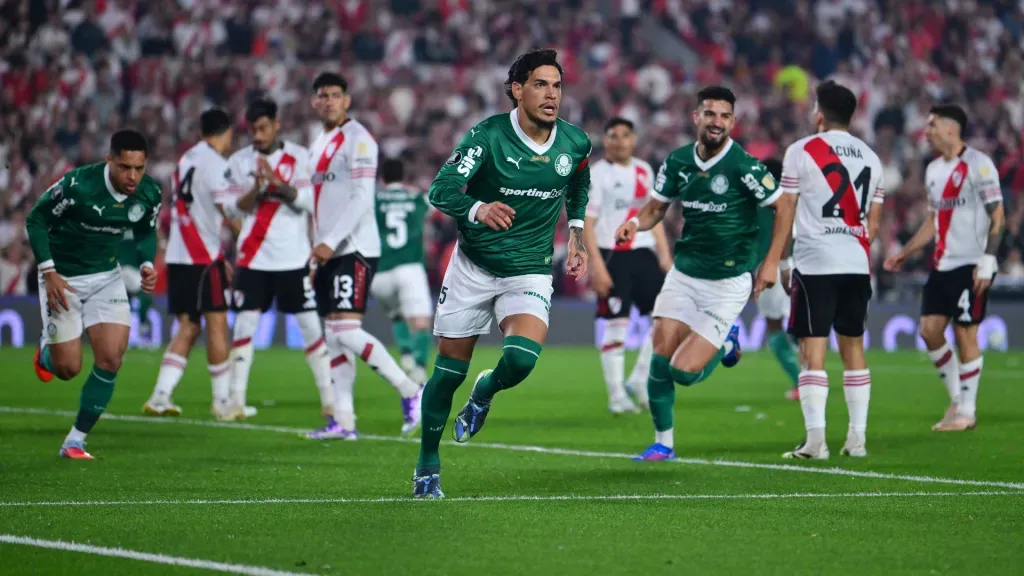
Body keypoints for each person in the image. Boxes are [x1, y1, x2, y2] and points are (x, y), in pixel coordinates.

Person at [413, 49, 592, 498]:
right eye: (540, 85)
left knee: (521, 360)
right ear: (517, 90)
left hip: (529, 270)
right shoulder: (488, 136)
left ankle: (485, 392)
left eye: (556, 85)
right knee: (447, 375)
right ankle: (427, 464)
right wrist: (478, 207)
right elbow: (441, 188)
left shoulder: (575, 142)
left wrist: (575, 231)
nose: (551, 95)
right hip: (473, 267)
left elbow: (579, 180)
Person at [616, 85, 795, 462]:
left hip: (727, 283)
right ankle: (663, 443)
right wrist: (635, 223)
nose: (717, 122)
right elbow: (655, 208)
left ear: (733, 122)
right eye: (710, 114)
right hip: (684, 275)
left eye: (725, 116)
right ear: (697, 117)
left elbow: (783, 206)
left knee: (683, 372)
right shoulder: (678, 161)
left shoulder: (743, 166)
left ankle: (727, 343)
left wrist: (771, 261)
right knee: (659, 359)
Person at [27, 129, 162, 459]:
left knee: (112, 358)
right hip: (62, 278)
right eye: (125, 167)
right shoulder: (78, 186)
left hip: (106, 277)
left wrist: (146, 262)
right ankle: (46, 353)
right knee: (68, 368)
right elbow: (36, 219)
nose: (133, 177)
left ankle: (75, 440)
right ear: (109, 160)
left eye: (139, 168)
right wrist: (49, 272)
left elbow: (145, 230)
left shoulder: (149, 193)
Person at [305, 71, 423, 441]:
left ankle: (410, 389)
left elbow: (360, 198)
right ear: (314, 101)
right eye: (322, 95)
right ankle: (344, 421)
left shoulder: (359, 140)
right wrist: (316, 251)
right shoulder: (319, 142)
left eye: (335, 95)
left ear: (347, 100)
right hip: (328, 250)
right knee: (333, 335)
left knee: (345, 330)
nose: (328, 101)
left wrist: (330, 243)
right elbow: (318, 203)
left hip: (355, 247)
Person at [780, 80, 886, 459]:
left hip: (816, 262)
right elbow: (873, 226)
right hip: (856, 265)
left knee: (813, 351)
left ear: (820, 114)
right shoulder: (871, 158)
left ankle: (816, 441)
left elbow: (787, 209)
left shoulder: (801, 150)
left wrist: (777, 260)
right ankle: (857, 439)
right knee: (854, 347)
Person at [884, 104, 1004, 432]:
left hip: (971, 263)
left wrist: (988, 261)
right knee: (929, 330)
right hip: (943, 263)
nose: (927, 131)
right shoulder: (934, 169)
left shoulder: (978, 165)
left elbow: (998, 215)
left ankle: (967, 411)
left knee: (966, 333)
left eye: (932, 125)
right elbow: (935, 220)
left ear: (952, 129)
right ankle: (957, 398)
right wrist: (906, 252)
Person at [224, 98, 334, 425]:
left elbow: (307, 203)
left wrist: (277, 184)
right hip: (253, 258)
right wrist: (256, 190)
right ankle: (236, 401)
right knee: (244, 327)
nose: (257, 136)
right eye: (252, 130)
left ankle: (330, 402)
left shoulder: (301, 158)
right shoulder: (239, 161)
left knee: (311, 328)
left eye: (262, 128)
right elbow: (233, 209)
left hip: (293, 257)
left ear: (276, 125)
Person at [144, 109, 238, 420]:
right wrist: (250, 241)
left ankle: (160, 395)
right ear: (225, 133)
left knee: (189, 324)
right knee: (217, 322)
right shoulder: (216, 164)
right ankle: (223, 401)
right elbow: (227, 211)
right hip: (201, 256)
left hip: (179, 254)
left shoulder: (185, 160)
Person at [584, 117, 673, 414]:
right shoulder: (597, 174)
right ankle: (616, 396)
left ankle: (637, 379)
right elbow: (587, 223)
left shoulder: (644, 170)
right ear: (605, 140)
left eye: (625, 135)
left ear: (634, 139)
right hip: (612, 254)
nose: (620, 140)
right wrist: (596, 266)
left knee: (665, 319)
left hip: (644, 252)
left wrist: (664, 255)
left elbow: (653, 215)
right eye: (613, 135)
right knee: (616, 327)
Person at [370, 157, 434, 385]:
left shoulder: (373, 200)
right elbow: (437, 207)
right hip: (409, 267)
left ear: (382, 178)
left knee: (396, 313)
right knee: (420, 322)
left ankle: (405, 353)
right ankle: (418, 368)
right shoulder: (416, 197)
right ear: (404, 177)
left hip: (379, 273)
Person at [755, 158, 801, 400]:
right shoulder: (789, 199)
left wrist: (780, 265)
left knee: (775, 324)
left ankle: (800, 380)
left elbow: (783, 236)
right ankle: (807, 377)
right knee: (793, 322)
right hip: (793, 264)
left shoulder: (765, 202)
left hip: (773, 266)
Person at [117, 229, 155, 347]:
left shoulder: (142, 227)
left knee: (145, 296)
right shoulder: (114, 224)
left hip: (134, 271)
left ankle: (143, 326)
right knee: (119, 305)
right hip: (117, 269)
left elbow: (147, 252)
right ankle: (120, 337)